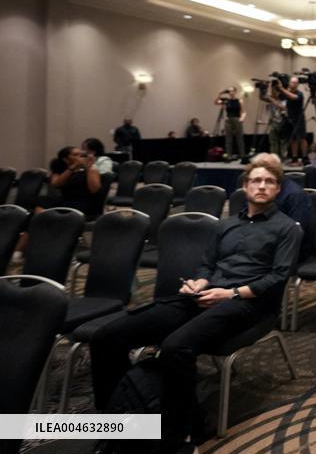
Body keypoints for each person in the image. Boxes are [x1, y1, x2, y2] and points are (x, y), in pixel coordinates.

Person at [90, 160, 301, 453]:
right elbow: (206, 265)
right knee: (106, 337)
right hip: (204, 296)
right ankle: (118, 419)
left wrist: (229, 294)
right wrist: (198, 282)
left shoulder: (288, 228)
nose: (262, 186)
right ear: (245, 186)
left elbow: (278, 278)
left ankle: (182, 433)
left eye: (269, 182)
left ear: (278, 189)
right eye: (256, 180)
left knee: (175, 347)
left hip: (248, 304)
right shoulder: (225, 225)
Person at [249, 153, 313, 260]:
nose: (261, 172)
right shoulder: (255, 192)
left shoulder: (295, 195)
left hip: (284, 252)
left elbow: (295, 233)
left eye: (267, 168)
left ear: (278, 170)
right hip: (255, 246)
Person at [46, 145, 104, 219]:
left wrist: (88, 168)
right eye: (76, 155)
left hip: (84, 201)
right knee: (42, 201)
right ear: (65, 159)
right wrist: (73, 167)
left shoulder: (92, 170)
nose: (80, 157)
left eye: (81, 154)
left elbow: (94, 190)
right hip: (65, 200)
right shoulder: (61, 169)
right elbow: (56, 184)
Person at [276, 76, 306, 165]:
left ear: (298, 84)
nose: (293, 84)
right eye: (292, 82)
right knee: (293, 139)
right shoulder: (286, 93)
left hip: (299, 119)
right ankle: (294, 158)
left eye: (295, 83)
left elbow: (293, 97)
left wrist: (281, 88)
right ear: (289, 83)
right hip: (290, 119)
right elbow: (282, 104)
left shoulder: (300, 93)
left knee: (302, 138)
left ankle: (305, 158)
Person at [214, 87, 246, 161]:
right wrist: (220, 94)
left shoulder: (239, 100)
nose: (231, 92)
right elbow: (216, 102)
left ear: (235, 91)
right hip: (228, 120)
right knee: (228, 138)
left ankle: (242, 155)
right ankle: (229, 156)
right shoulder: (226, 101)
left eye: (232, 91)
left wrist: (242, 118)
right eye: (229, 91)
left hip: (237, 119)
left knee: (239, 138)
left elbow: (243, 111)